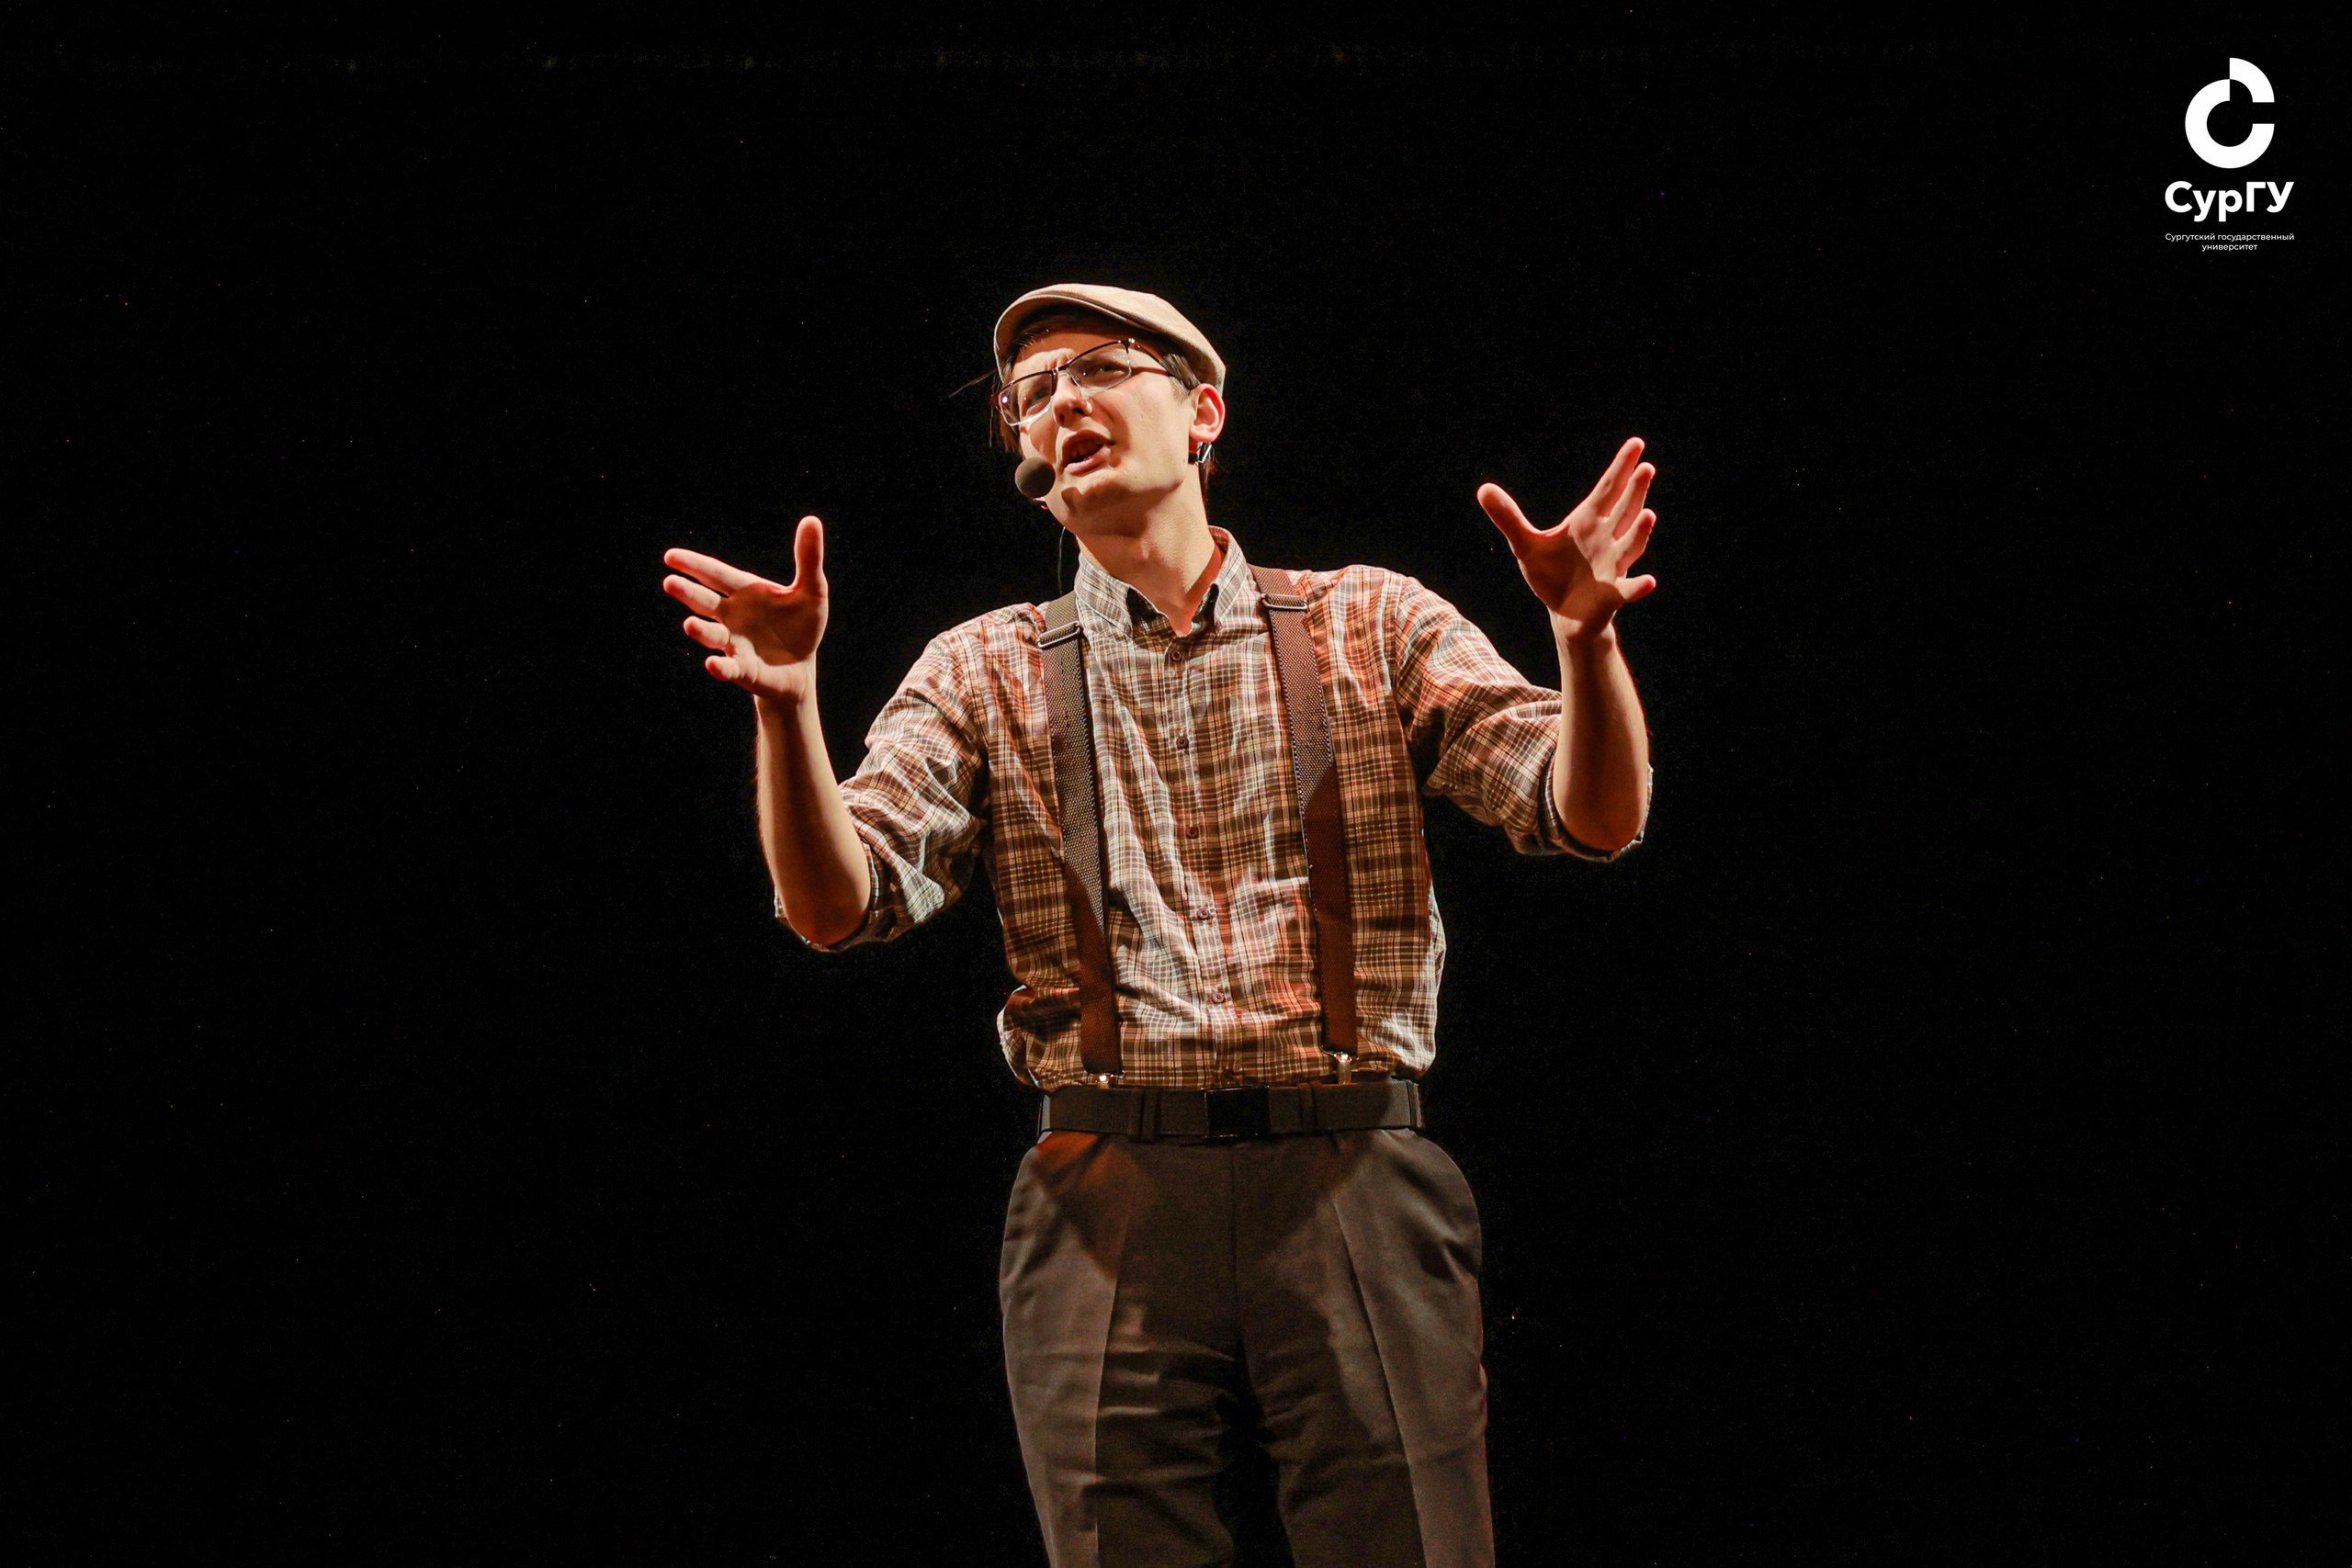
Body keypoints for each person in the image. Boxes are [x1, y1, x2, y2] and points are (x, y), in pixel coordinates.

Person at [660, 284, 1657, 1567]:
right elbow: (836, 905)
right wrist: (788, 706)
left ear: (1203, 413)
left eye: (1098, 368)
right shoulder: (980, 667)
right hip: (1105, 1195)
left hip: (1354, 1167)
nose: (1059, 402)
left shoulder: (1370, 619)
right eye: (1030, 395)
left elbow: (1591, 815)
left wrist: (1585, 643)